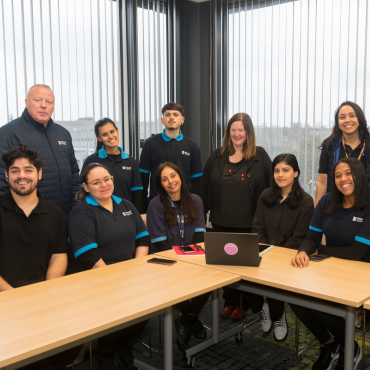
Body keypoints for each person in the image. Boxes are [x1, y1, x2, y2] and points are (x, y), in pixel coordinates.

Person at [68, 163, 150, 369]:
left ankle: (124, 347)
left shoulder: (126, 205)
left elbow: (143, 239)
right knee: (112, 318)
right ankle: (105, 354)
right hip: (98, 278)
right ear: (86, 187)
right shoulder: (81, 212)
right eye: (96, 182)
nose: (104, 185)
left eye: (107, 179)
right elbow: (88, 255)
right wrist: (115, 282)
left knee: (148, 307)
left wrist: (138, 271)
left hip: (130, 273)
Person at [291, 157, 368, 370]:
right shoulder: (326, 202)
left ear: (359, 175)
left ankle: (350, 348)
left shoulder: (368, 205)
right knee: (295, 297)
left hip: (361, 273)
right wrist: (302, 252)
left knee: (320, 305)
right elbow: (311, 237)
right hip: (331, 270)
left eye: (348, 173)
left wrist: (321, 250)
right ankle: (331, 344)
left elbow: (356, 252)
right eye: (338, 175)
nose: (343, 179)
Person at [203, 112, 272, 320]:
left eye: (241, 129)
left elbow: (271, 188)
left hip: (249, 223)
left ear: (248, 132)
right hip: (221, 221)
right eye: (233, 129)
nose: (236, 133)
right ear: (228, 133)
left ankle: (245, 304)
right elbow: (205, 187)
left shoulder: (259, 156)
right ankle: (229, 301)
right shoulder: (217, 156)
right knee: (225, 265)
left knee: (246, 267)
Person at [244, 153, 314, 341]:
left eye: (285, 170)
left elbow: (299, 237)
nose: (280, 175)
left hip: (288, 258)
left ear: (296, 173)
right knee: (240, 279)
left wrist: (275, 257)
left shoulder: (306, 201)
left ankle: (278, 316)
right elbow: (257, 228)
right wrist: (264, 252)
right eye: (276, 170)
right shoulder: (265, 196)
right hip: (263, 253)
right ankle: (262, 309)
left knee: (273, 282)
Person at [146, 162, 208, 352]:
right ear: (160, 184)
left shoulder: (195, 200)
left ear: (180, 177)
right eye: (164, 179)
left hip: (192, 255)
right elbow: (161, 242)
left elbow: (199, 235)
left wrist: (191, 259)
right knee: (175, 284)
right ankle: (191, 318)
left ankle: (187, 319)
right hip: (165, 260)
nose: (170, 181)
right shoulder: (156, 204)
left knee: (209, 280)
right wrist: (180, 262)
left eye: (173, 176)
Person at [0, 84, 80, 215]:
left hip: (65, 216)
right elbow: (2, 179)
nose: (44, 105)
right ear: (26, 102)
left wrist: (76, 207)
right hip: (29, 218)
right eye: (37, 100)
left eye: (49, 102)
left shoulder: (63, 133)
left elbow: (74, 174)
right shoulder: (9, 132)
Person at [0, 144, 68, 290]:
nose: (22, 176)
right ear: (7, 175)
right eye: (15, 171)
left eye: (28, 170)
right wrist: (13, 295)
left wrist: (48, 289)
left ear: (40, 174)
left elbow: (59, 256)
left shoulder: (57, 215)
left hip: (43, 296)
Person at [139, 103, 203, 212]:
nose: (171, 117)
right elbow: (143, 178)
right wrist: (143, 209)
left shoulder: (192, 146)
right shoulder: (150, 143)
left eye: (175, 114)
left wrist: (196, 207)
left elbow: (197, 181)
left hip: (184, 204)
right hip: (157, 203)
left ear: (182, 120)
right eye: (167, 114)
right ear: (162, 120)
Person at [81, 118, 143, 213]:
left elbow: (137, 193)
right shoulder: (91, 160)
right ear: (98, 138)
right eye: (105, 134)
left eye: (112, 131)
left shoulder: (131, 162)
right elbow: (84, 190)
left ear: (117, 131)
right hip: (98, 213)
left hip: (125, 213)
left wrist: (138, 216)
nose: (110, 136)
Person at [315, 101, 370, 206]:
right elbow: (323, 181)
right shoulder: (330, 146)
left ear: (359, 119)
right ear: (337, 122)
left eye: (352, 116)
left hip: (365, 207)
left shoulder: (368, 145)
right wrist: (316, 214)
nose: (347, 120)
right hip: (335, 206)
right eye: (342, 117)